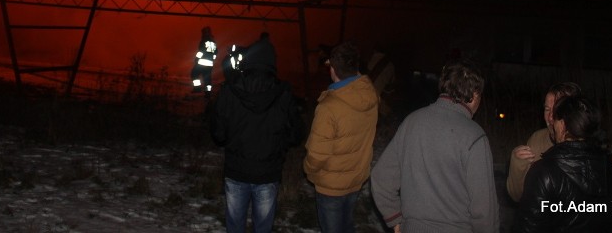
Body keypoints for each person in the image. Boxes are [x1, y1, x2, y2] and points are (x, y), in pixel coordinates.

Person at [370, 59, 499, 232]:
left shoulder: (412, 122)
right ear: (475, 95)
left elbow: (381, 177)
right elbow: (484, 209)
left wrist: (395, 220)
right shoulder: (475, 136)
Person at [210, 33, 304, 233]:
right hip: (268, 173)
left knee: (235, 226)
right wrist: (278, 143)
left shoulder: (230, 91)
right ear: (272, 63)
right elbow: (296, 135)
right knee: (263, 228)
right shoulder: (284, 94)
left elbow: (218, 135)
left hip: (236, 171)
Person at [507, 82, 612, 211]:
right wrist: (518, 166)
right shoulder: (537, 140)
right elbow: (518, 197)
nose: (550, 117)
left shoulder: (599, 147)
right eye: (547, 109)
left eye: (558, 110)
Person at [303, 41, 379, 233]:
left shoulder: (329, 107)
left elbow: (316, 155)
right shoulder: (369, 95)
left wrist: (309, 171)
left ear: (333, 70)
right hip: (355, 179)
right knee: (346, 226)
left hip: (331, 186)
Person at [190, 26, 217, 97]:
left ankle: (197, 88)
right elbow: (216, 52)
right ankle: (208, 93)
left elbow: (201, 51)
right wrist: (212, 59)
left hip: (202, 62)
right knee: (207, 78)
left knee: (194, 74)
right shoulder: (213, 42)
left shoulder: (204, 40)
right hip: (210, 63)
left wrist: (196, 58)